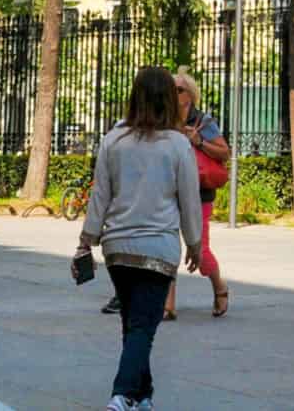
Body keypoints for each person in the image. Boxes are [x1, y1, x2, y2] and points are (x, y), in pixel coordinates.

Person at [77, 66, 203, 411]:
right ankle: (120, 395)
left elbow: (99, 195)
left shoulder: (113, 141)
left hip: (117, 250)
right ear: (167, 100)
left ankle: (142, 396)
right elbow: (189, 199)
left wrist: (87, 238)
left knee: (133, 325)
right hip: (157, 250)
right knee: (142, 329)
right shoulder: (177, 145)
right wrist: (196, 243)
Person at [167, 71, 232, 320]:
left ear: (190, 94)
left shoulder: (203, 121)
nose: (175, 93)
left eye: (179, 89)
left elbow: (224, 153)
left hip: (199, 194)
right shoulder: (164, 119)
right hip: (169, 192)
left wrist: (198, 141)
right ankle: (168, 304)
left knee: (201, 251)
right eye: (171, 89)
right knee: (168, 247)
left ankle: (219, 285)